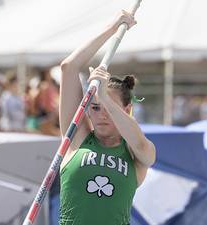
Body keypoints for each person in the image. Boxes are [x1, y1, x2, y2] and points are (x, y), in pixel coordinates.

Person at [58, 10, 156, 225]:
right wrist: (112, 28)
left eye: (109, 109)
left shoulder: (136, 153)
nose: (101, 114)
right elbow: (69, 67)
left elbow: (143, 148)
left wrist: (103, 96)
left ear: (127, 109)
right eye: (94, 107)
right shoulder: (77, 137)